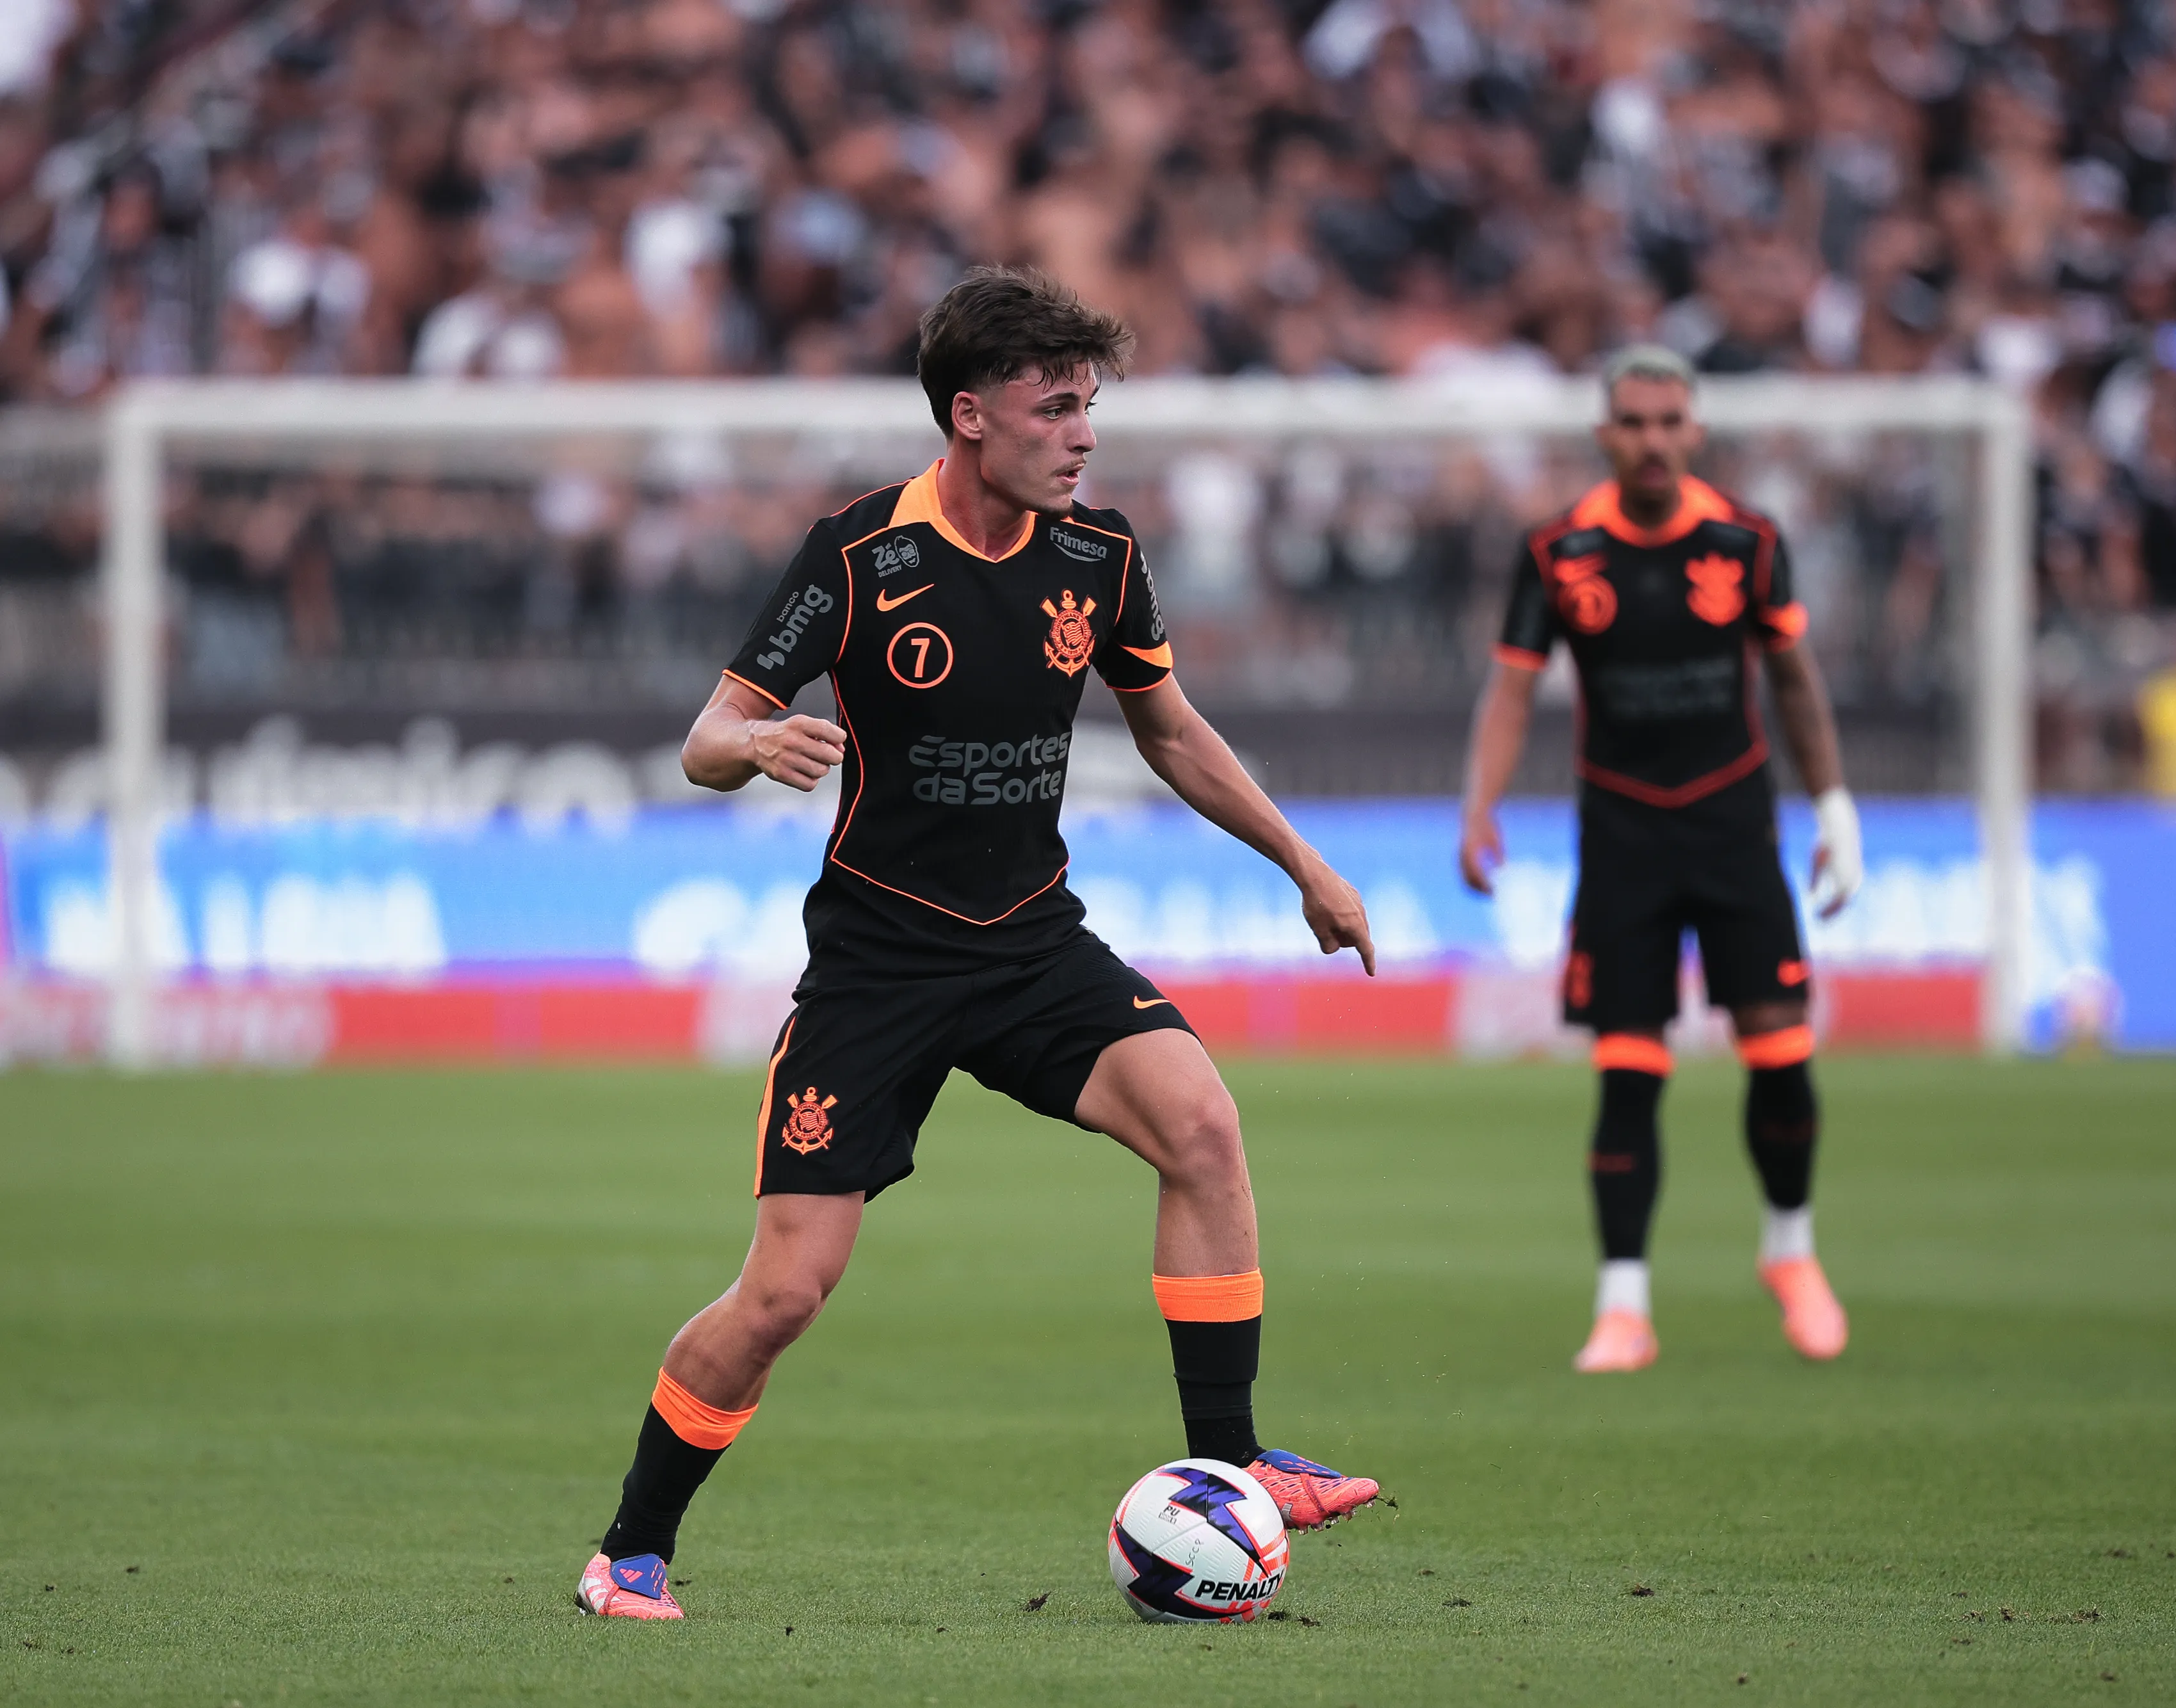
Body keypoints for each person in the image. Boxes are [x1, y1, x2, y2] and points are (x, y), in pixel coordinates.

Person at [576, 267, 1383, 1621]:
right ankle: (629, 1549)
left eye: (1088, 408)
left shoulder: (1097, 557)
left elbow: (1172, 729)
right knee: (784, 1294)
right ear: (969, 414)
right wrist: (755, 744)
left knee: (1200, 1123)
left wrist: (1304, 863)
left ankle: (1233, 1462)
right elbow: (707, 735)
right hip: (878, 970)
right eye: (1054, 409)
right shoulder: (857, 556)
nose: (1082, 437)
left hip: (1029, 944)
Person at [1456, 344, 1865, 1373]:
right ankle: (1624, 1307)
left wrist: (1836, 808)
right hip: (1623, 836)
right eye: (1633, 423)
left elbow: (1795, 681)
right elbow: (1512, 686)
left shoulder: (1747, 541)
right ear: (1606, 434)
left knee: (1781, 1053)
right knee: (1628, 1074)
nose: (1651, 441)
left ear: (1696, 431)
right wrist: (1480, 804)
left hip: (1735, 828)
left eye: (1668, 422)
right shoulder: (1560, 551)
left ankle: (1791, 1252)